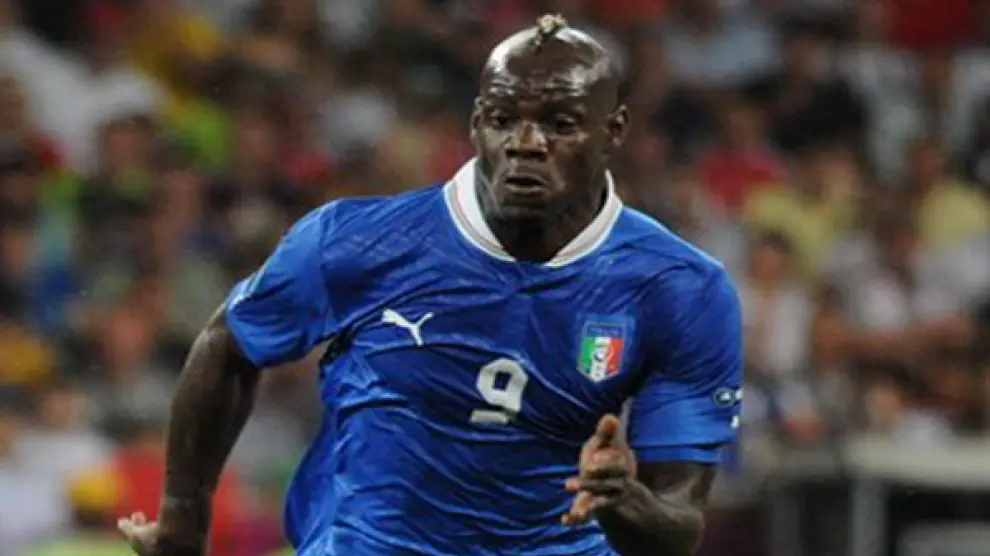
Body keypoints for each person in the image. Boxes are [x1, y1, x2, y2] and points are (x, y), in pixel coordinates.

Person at [118, 14, 743, 556]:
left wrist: (622, 499)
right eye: (503, 119)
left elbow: (677, 531)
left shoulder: (679, 288)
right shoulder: (357, 241)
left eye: (560, 123)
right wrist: (182, 520)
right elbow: (229, 344)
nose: (526, 144)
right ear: (476, 124)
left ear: (614, 131)